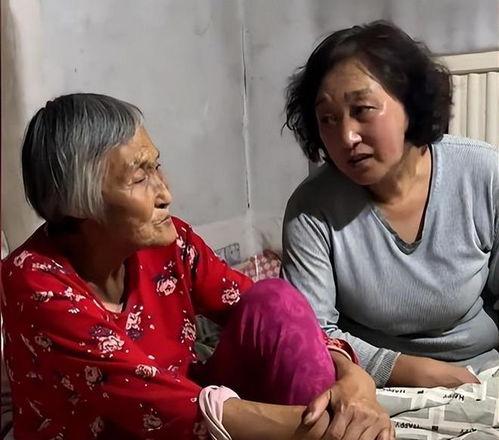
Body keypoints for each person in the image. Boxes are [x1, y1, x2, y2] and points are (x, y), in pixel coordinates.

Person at [1, 93, 394, 439]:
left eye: (156, 166)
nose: (165, 193)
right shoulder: (33, 282)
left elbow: (274, 318)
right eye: (139, 178)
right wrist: (325, 429)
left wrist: (351, 376)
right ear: (78, 203)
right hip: (137, 426)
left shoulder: (169, 245)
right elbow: (153, 400)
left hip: (194, 411)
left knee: (275, 299)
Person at [282, 20, 499, 389]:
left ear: (410, 104)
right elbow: (312, 332)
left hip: (482, 372)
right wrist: (406, 369)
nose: (347, 136)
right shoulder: (311, 208)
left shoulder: (483, 173)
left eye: (363, 109)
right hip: (367, 384)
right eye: (328, 119)